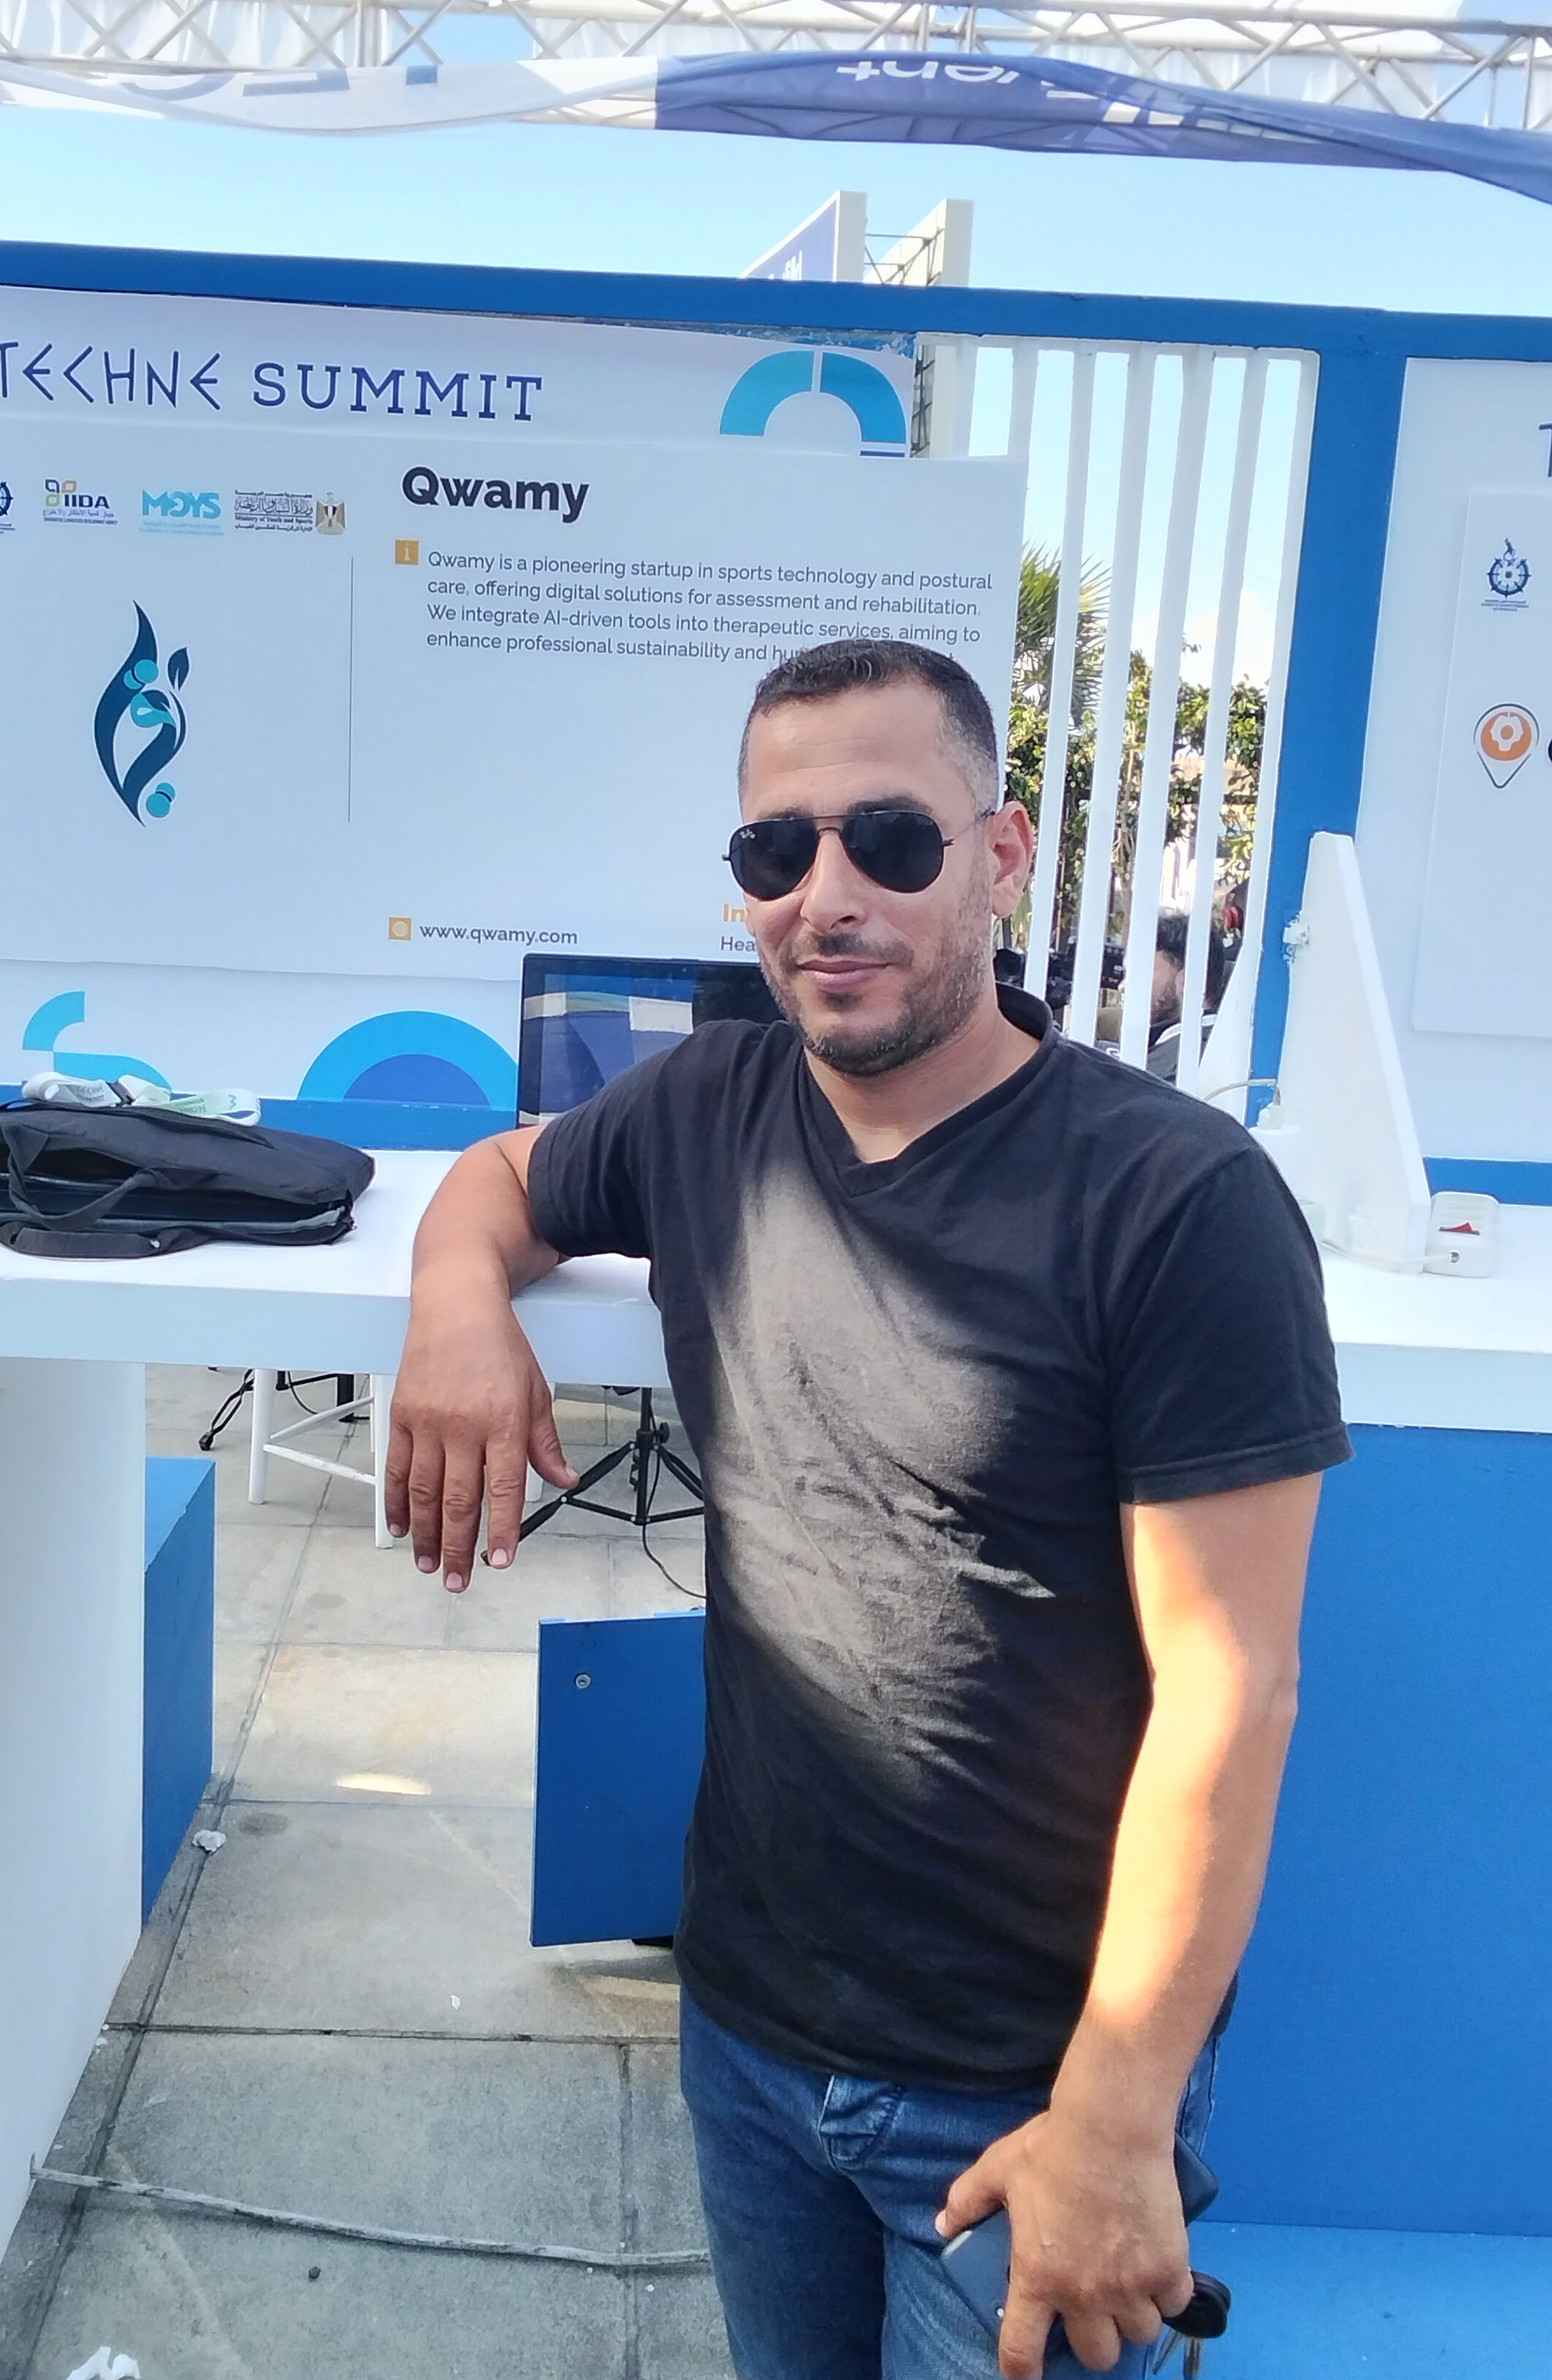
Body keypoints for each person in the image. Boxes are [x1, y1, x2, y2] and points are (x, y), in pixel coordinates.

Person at [384, 638, 1349, 2380]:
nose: (825, 897)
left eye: (889, 840)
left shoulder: (1176, 1202)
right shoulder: (709, 1109)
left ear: (1001, 856)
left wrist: (1115, 2117)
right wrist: (455, 1306)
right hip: (751, 2029)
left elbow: (1233, 1693)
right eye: (777, 850)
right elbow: (499, 1180)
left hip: (1026, 2088)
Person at [1144, 910, 1227, 1084]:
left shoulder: (1181, 1062)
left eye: (1142, 972)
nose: (1123, 986)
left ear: (1189, 980)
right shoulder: (1216, 1046)